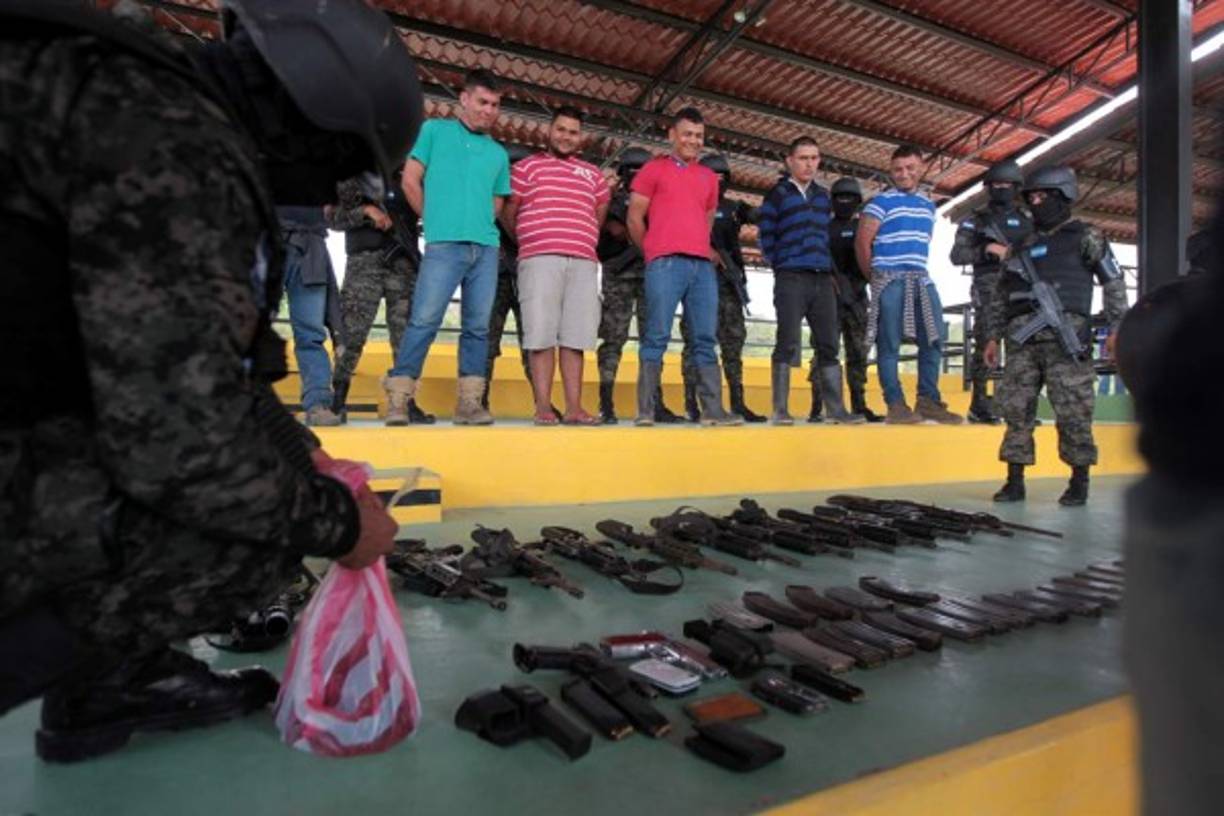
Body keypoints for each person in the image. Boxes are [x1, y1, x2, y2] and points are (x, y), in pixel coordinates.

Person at [0, 0, 413, 760]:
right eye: (335, 164)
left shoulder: (123, 85)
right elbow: (180, 448)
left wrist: (305, 457)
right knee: (245, 543)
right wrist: (342, 525)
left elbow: (200, 374)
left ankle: (113, 678)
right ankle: (106, 676)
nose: (323, 190)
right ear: (310, 119)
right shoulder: (179, 144)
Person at [983, 166, 1128, 506]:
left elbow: (1113, 283)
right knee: (1016, 411)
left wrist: (1118, 328)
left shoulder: (1086, 235)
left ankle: (1079, 481)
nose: (1035, 203)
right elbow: (999, 296)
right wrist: (991, 337)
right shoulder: (1020, 246)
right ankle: (1014, 481)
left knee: (1074, 411)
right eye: (1031, 197)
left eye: (1042, 196)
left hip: (1067, 342)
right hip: (1021, 343)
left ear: (1063, 196)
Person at [383, 68, 510, 425]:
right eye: (483, 102)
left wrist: (481, 226)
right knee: (424, 320)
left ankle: (469, 404)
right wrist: (435, 220)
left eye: (495, 105)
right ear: (465, 99)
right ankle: (399, 398)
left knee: (477, 327)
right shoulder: (434, 131)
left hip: (484, 249)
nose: (489, 110)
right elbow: (410, 180)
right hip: (444, 245)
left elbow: (498, 201)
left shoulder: (498, 154)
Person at [628, 108, 741, 427]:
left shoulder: (708, 178)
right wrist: (651, 251)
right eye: (687, 134)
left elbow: (706, 222)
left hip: (701, 267)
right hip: (664, 263)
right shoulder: (653, 170)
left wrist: (702, 250)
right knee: (656, 335)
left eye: (699, 136)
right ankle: (646, 409)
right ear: (672, 136)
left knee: (705, 337)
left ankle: (713, 410)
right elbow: (635, 217)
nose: (693, 141)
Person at [501, 107, 609, 425]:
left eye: (573, 132)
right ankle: (543, 407)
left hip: (584, 262)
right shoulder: (525, 168)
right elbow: (509, 212)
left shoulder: (594, 174)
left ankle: (575, 408)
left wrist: (578, 236)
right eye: (560, 129)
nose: (566, 136)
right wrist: (531, 238)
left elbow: (599, 213)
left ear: (580, 137)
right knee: (541, 333)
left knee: (576, 336)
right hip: (538, 258)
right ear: (550, 131)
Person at [757, 137, 864, 425]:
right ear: (790, 160)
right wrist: (780, 264)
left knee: (829, 343)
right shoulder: (776, 195)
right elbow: (765, 237)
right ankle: (780, 409)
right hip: (791, 277)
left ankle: (836, 409)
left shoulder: (822, 197)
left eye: (814, 158)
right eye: (803, 158)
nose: (809, 164)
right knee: (787, 341)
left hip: (821, 279)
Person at [856, 145, 962, 425]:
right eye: (897, 170)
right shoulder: (880, 203)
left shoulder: (928, 206)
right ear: (891, 172)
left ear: (921, 167)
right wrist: (875, 279)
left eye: (909, 168)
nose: (903, 174)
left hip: (920, 278)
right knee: (889, 342)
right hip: (889, 277)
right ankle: (896, 405)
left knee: (934, 336)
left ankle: (928, 401)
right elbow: (862, 242)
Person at [326, 168, 434, 423]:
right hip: (365, 262)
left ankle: (405, 401)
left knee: (406, 337)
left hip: (403, 263)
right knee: (352, 333)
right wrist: (365, 212)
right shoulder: (356, 177)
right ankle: (337, 400)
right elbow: (332, 219)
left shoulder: (410, 178)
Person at [595, 149, 685, 425]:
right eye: (632, 171)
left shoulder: (656, 200)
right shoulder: (612, 200)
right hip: (619, 274)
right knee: (613, 339)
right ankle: (606, 404)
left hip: (651, 274)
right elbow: (603, 232)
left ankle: (653, 402)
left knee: (654, 338)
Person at [678, 154, 767, 423]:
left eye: (722, 178)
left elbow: (760, 216)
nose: (717, 182)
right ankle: (693, 403)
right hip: (698, 282)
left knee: (733, 344)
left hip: (730, 284)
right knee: (695, 343)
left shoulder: (733, 208)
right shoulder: (688, 204)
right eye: (712, 176)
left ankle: (737, 403)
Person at [950, 160, 1033, 424]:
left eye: (1007, 185)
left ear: (1016, 187)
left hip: (1022, 287)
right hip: (988, 288)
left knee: (1023, 346)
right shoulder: (975, 221)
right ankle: (979, 404)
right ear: (988, 188)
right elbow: (956, 255)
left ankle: (1018, 407)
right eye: (996, 185)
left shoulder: (1028, 219)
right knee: (986, 343)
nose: (1001, 189)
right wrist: (985, 250)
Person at [812, 176, 881, 422]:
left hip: (857, 299)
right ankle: (818, 406)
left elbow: (871, 261)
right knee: (823, 353)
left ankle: (859, 404)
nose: (845, 202)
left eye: (850, 198)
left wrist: (857, 286)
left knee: (859, 354)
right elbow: (818, 261)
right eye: (840, 198)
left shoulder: (864, 228)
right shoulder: (823, 229)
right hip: (828, 300)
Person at [483, 144, 534, 413]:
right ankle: (478, 400)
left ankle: (542, 401)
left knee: (533, 341)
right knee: (486, 341)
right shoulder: (489, 195)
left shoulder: (534, 201)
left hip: (525, 275)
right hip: (493, 276)